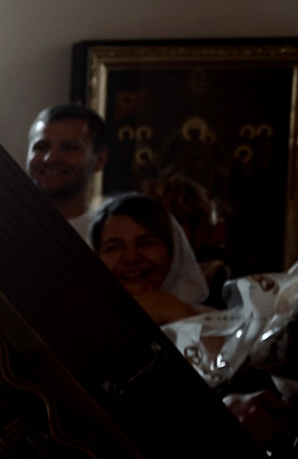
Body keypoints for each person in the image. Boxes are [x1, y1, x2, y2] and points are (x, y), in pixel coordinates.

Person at [91, 191, 209, 324]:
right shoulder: (82, 324)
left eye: (146, 243)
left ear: (173, 253)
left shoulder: (216, 328)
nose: (131, 258)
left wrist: (169, 308)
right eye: (114, 247)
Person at [24, 101, 112, 240]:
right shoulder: (0, 226)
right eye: (41, 147)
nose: (51, 159)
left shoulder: (107, 237)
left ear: (100, 159)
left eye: (69, 148)